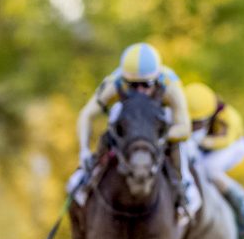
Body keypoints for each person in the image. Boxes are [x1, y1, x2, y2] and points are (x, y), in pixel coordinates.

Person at [72, 42, 192, 218]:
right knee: (114, 119)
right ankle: (89, 178)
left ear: (157, 79)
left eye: (146, 85)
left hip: (157, 123)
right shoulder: (114, 83)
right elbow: (86, 115)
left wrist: (158, 137)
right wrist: (83, 150)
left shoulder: (170, 86)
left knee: (179, 145)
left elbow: (185, 129)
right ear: (124, 80)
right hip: (129, 120)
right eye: (133, 86)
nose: (140, 91)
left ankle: (182, 189)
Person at [184, 82, 244, 239]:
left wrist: (201, 141)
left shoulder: (228, 119)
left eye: (196, 122)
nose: (192, 126)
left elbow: (224, 141)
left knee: (209, 170)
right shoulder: (200, 104)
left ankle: (241, 206)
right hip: (209, 143)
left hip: (233, 145)